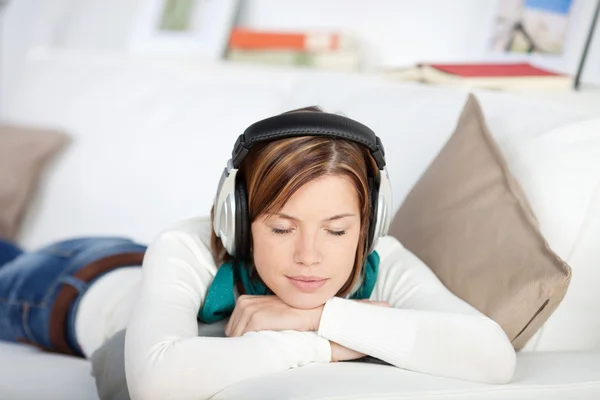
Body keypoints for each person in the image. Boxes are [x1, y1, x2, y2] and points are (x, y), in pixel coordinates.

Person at [0, 106, 517, 400]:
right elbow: (158, 383)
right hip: (59, 289)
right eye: (281, 228)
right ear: (238, 220)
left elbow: (491, 356)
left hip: (130, 268)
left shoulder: (386, 259)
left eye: (336, 231)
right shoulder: (183, 245)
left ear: (368, 226)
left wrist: (315, 317)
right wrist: (334, 343)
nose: (310, 256)